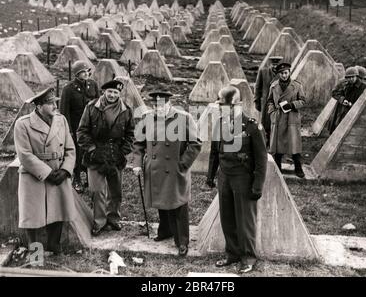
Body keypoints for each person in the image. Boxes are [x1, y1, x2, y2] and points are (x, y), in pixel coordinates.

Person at [133, 90, 202, 257]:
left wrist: (183, 164)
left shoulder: (184, 117)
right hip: (155, 167)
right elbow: (138, 143)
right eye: (155, 105)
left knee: (178, 204)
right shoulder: (147, 118)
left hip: (175, 168)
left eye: (162, 104)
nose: (158, 108)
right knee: (161, 200)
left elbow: (195, 143)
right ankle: (165, 231)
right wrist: (137, 164)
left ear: (169, 104)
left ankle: (182, 241)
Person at [206, 86, 268, 273]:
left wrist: (257, 185)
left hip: (243, 178)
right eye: (221, 105)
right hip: (225, 177)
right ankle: (232, 253)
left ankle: (248, 257)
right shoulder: (219, 124)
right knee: (227, 218)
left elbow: (261, 159)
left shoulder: (251, 126)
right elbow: (215, 152)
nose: (222, 109)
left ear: (237, 105)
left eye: (226, 106)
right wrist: (211, 176)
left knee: (245, 220)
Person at [14, 88, 76, 255]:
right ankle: (35, 255)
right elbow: (24, 155)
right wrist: (47, 173)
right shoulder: (23, 124)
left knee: (58, 212)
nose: (55, 106)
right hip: (34, 176)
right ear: (39, 106)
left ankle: (54, 248)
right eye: (50, 103)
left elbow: (70, 148)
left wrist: (65, 170)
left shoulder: (61, 120)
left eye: (55, 102)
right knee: (32, 218)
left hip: (58, 174)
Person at [77, 80, 135, 236]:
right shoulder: (91, 108)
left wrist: (122, 151)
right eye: (110, 91)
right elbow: (82, 132)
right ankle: (99, 221)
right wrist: (92, 149)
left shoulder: (126, 110)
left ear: (119, 94)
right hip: (95, 155)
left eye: (116, 92)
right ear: (104, 91)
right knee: (97, 190)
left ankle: (113, 218)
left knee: (115, 190)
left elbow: (130, 134)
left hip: (115, 155)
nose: (112, 95)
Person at [60, 60, 100, 193]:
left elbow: (99, 104)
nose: (86, 73)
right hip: (77, 127)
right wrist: (69, 130)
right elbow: (64, 111)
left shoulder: (93, 85)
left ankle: (90, 177)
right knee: (77, 153)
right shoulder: (68, 89)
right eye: (83, 72)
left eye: (87, 71)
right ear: (77, 74)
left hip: (92, 126)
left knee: (91, 150)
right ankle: (76, 179)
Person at [266, 62, 306, 178]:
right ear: (278, 74)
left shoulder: (297, 86)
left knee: (294, 145)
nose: (284, 75)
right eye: (281, 73)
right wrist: (272, 112)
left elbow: (303, 101)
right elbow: (269, 101)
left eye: (286, 73)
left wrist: (292, 105)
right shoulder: (273, 86)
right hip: (278, 118)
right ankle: (277, 168)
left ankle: (298, 168)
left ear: (289, 72)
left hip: (291, 119)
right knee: (277, 147)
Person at [329, 66, 366, 134]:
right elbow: (334, 93)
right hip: (343, 109)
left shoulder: (364, 87)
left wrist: (353, 105)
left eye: (353, 77)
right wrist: (342, 100)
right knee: (338, 126)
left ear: (357, 76)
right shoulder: (344, 83)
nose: (351, 79)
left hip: (357, 109)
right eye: (349, 77)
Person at [254, 56, 283, 145]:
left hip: (277, 103)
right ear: (270, 64)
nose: (275, 67)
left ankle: (274, 141)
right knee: (265, 123)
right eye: (273, 64)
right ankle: (265, 140)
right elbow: (258, 87)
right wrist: (256, 101)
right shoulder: (263, 72)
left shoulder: (283, 74)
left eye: (276, 65)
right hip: (266, 102)